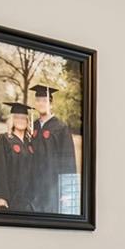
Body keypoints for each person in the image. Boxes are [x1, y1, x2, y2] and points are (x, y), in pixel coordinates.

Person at [30, 82, 78, 213]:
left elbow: (68, 160)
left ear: (51, 104)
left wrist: (67, 191)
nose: (41, 103)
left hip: (53, 187)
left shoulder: (61, 128)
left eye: (44, 100)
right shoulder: (33, 126)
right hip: (35, 188)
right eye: (38, 100)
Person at [0, 101, 38, 211]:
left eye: (23, 118)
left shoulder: (30, 142)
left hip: (28, 197)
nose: (20, 120)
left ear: (27, 121)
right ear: (12, 120)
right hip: (11, 196)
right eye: (17, 117)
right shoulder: (5, 139)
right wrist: (1, 197)